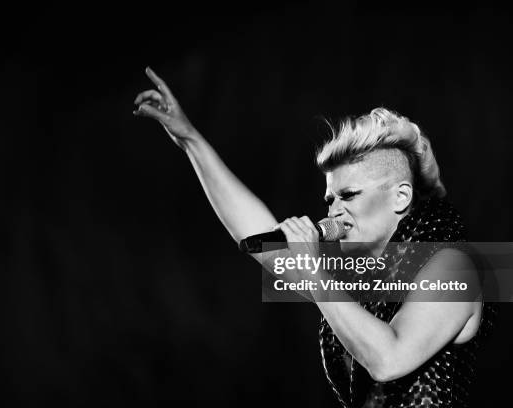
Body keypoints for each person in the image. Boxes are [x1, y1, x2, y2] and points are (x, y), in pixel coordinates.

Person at [133, 67, 492, 407]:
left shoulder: (453, 266)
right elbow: (256, 237)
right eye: (330, 199)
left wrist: (315, 274)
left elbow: (388, 359)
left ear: (401, 197)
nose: (334, 209)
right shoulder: (355, 275)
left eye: (349, 195)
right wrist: (190, 139)